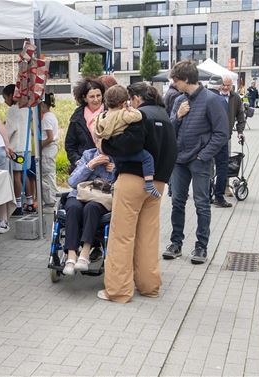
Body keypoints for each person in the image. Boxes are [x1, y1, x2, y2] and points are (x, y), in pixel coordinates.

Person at [98, 81, 177, 302]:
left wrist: (105, 147)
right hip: (158, 183)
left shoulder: (140, 116)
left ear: (136, 99)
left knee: (122, 236)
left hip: (132, 180)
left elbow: (128, 145)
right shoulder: (166, 118)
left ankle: (118, 291)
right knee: (148, 236)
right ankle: (149, 286)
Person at [163, 60, 229, 265]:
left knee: (202, 204)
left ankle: (201, 247)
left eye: (175, 80)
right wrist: (179, 116)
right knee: (177, 203)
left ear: (186, 79)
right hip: (179, 161)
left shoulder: (211, 100)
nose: (173, 84)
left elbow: (221, 133)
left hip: (199, 161)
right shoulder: (178, 101)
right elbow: (170, 130)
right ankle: (176, 243)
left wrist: (204, 155)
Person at [94, 84, 160, 197]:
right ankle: (149, 183)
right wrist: (131, 109)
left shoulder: (102, 117)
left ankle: (113, 184)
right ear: (124, 103)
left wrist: (103, 145)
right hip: (129, 154)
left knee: (117, 166)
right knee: (147, 158)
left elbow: (98, 134)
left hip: (113, 154)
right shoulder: (123, 114)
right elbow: (138, 116)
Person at [63, 136, 115, 276]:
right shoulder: (88, 155)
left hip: (101, 198)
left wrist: (115, 171)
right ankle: (71, 256)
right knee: (73, 208)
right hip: (79, 194)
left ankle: (85, 253)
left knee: (91, 208)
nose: (103, 145)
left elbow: (121, 186)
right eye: (100, 141)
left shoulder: (118, 158)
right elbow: (72, 181)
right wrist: (90, 166)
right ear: (96, 142)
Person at [212, 75, 246, 207]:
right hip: (213, 136)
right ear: (220, 85)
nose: (226, 87)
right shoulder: (214, 97)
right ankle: (210, 188)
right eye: (224, 85)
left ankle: (225, 187)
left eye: (228, 85)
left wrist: (240, 131)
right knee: (211, 164)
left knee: (224, 163)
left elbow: (240, 115)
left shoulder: (235, 97)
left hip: (227, 135)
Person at [3, 84, 34, 215]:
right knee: (24, 175)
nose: (5, 101)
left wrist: (3, 137)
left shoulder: (13, 110)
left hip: (16, 148)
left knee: (16, 176)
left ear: (11, 96)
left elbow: (11, 129)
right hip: (27, 148)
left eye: (5, 98)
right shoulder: (28, 109)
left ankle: (18, 206)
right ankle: (30, 203)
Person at [65, 78, 106, 171]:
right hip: (84, 166)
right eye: (92, 97)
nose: (96, 99)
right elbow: (70, 145)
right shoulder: (77, 117)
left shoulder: (110, 112)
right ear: (84, 98)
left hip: (107, 166)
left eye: (98, 95)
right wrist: (78, 161)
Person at [40, 93, 59, 208]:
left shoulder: (46, 118)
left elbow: (49, 137)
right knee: (50, 174)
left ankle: (52, 198)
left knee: (47, 175)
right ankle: (52, 197)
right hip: (52, 148)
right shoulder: (51, 116)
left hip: (48, 149)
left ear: (42, 104)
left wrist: (39, 145)